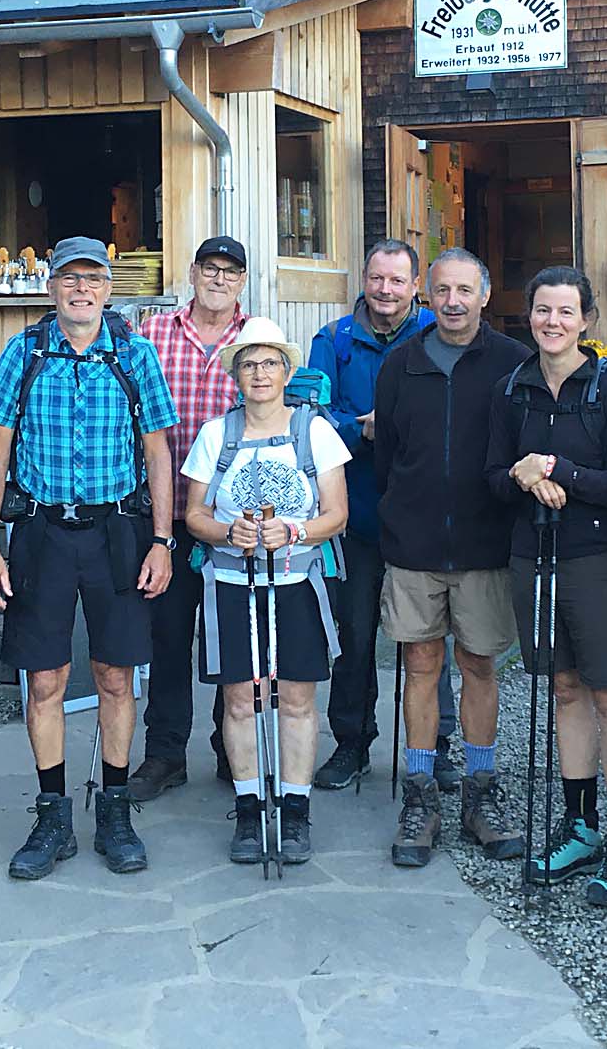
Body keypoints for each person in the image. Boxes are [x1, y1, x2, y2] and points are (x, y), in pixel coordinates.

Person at [0, 236, 178, 880]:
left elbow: (158, 452)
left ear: (108, 289)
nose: (81, 289)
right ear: (52, 286)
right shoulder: (24, 352)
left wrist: (162, 541)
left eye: (92, 279)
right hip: (42, 532)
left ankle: (114, 808)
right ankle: (52, 814)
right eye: (69, 278)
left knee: (116, 675)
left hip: (118, 531)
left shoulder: (135, 355)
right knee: (45, 679)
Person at [485, 266, 607, 904]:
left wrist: (558, 470)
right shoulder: (512, 390)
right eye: (542, 310)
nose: (552, 322)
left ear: (586, 321)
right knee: (564, 688)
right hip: (534, 555)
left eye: (565, 312)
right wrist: (521, 476)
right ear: (529, 316)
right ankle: (580, 825)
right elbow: (491, 478)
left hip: (599, 559)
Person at [374, 247, 529, 868]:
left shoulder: (512, 363)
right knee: (420, 665)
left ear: (484, 295)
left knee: (480, 666)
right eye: (442, 290)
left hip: (484, 544)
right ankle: (420, 796)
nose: (453, 302)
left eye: (465, 290)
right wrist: (400, 515)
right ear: (426, 295)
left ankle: (480, 792)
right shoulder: (401, 364)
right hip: (414, 544)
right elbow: (388, 455)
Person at [183, 318, 349, 864]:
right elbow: (194, 515)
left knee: (297, 699)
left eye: (270, 363)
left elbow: (337, 515)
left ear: (287, 372)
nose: (259, 373)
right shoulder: (215, 435)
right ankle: (250, 809)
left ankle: (294, 810)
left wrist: (295, 531)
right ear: (235, 375)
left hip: (298, 581)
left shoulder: (315, 432)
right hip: (232, 583)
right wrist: (227, 532)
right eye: (249, 364)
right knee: (239, 699)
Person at [308, 241, 458, 792]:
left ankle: (435, 746)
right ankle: (351, 741)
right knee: (354, 635)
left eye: (397, 281)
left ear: (416, 286)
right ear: (364, 280)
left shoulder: (437, 334)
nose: (386, 290)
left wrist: (397, 426)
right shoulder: (333, 340)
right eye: (377, 278)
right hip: (355, 514)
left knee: (428, 638)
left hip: (423, 516)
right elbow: (314, 415)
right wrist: (361, 428)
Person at [130, 236, 251, 800]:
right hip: (165, 518)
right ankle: (165, 754)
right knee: (168, 639)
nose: (219, 279)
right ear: (194, 272)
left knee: (234, 641)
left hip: (232, 523)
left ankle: (233, 748)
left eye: (230, 271)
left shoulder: (255, 340)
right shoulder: (153, 334)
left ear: (242, 281)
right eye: (210, 268)